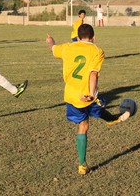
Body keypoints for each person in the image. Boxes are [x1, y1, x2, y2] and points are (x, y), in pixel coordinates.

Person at [45, 24, 131, 175]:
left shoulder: (67, 47)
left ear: (77, 37)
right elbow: (93, 74)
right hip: (88, 95)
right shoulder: (97, 51)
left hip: (72, 96)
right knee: (97, 104)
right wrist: (91, 94)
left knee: (83, 125)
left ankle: (82, 165)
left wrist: (50, 40)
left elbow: (53, 48)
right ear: (93, 37)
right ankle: (111, 119)